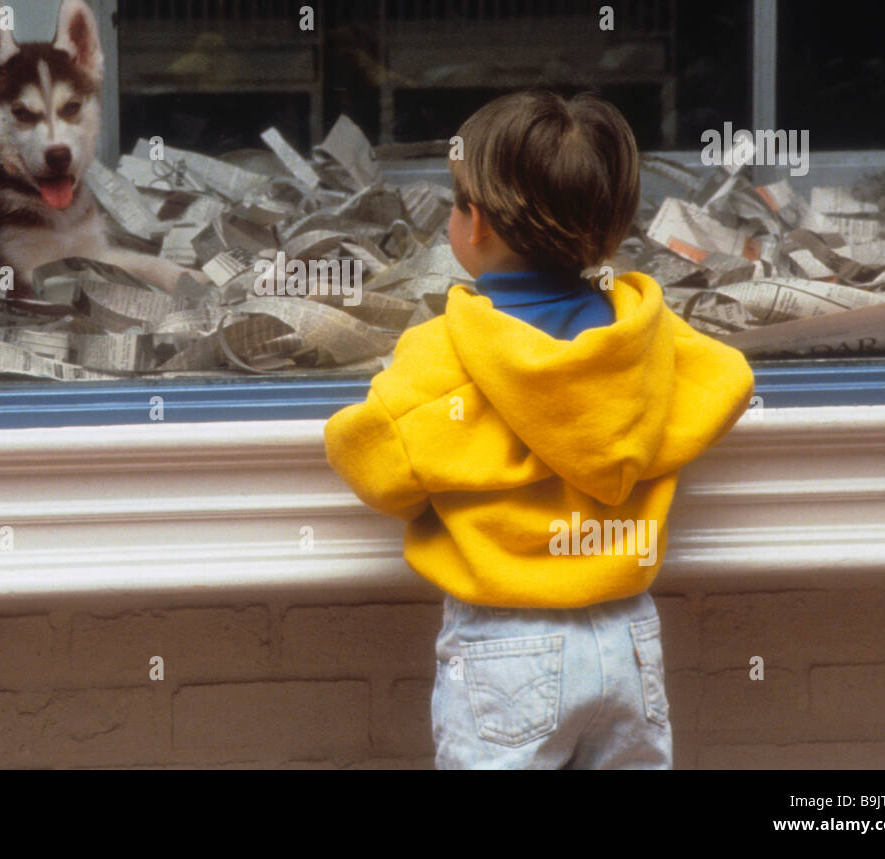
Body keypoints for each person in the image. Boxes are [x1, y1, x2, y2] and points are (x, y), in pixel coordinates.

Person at [323, 89, 754, 769]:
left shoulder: (446, 351)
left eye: (455, 204)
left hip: (507, 643)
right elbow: (725, 381)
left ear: (482, 225)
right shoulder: (646, 342)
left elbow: (372, 459)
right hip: (628, 636)